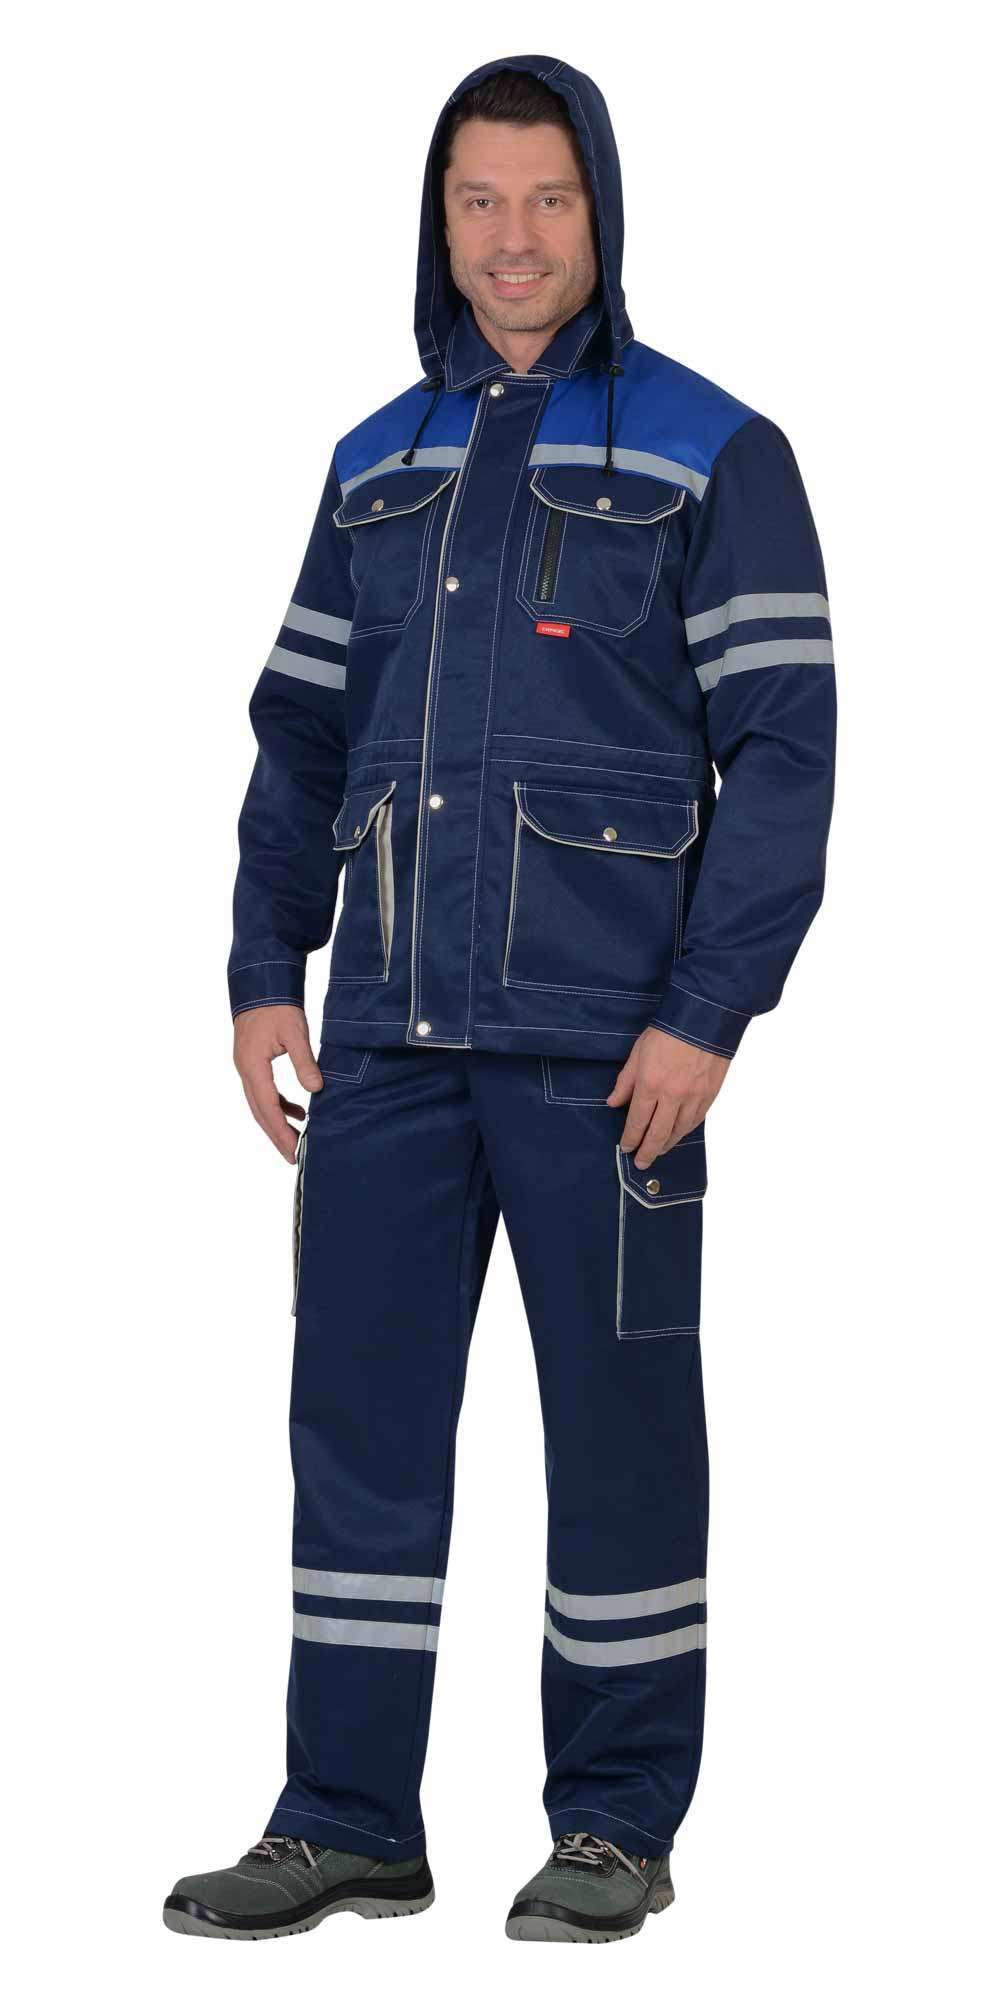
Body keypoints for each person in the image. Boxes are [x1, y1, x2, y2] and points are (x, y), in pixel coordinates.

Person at [164, 53, 836, 1945]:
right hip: (385, 1036)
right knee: (355, 1430)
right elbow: (302, 736)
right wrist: (263, 970)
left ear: (599, 212)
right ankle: (345, 1818)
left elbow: (787, 751)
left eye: (548, 199)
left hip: (611, 1052)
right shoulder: (375, 464)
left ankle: (616, 1823)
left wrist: (710, 1010)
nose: (513, 238)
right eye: (479, 201)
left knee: (620, 1440)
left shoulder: (713, 450)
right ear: (438, 220)